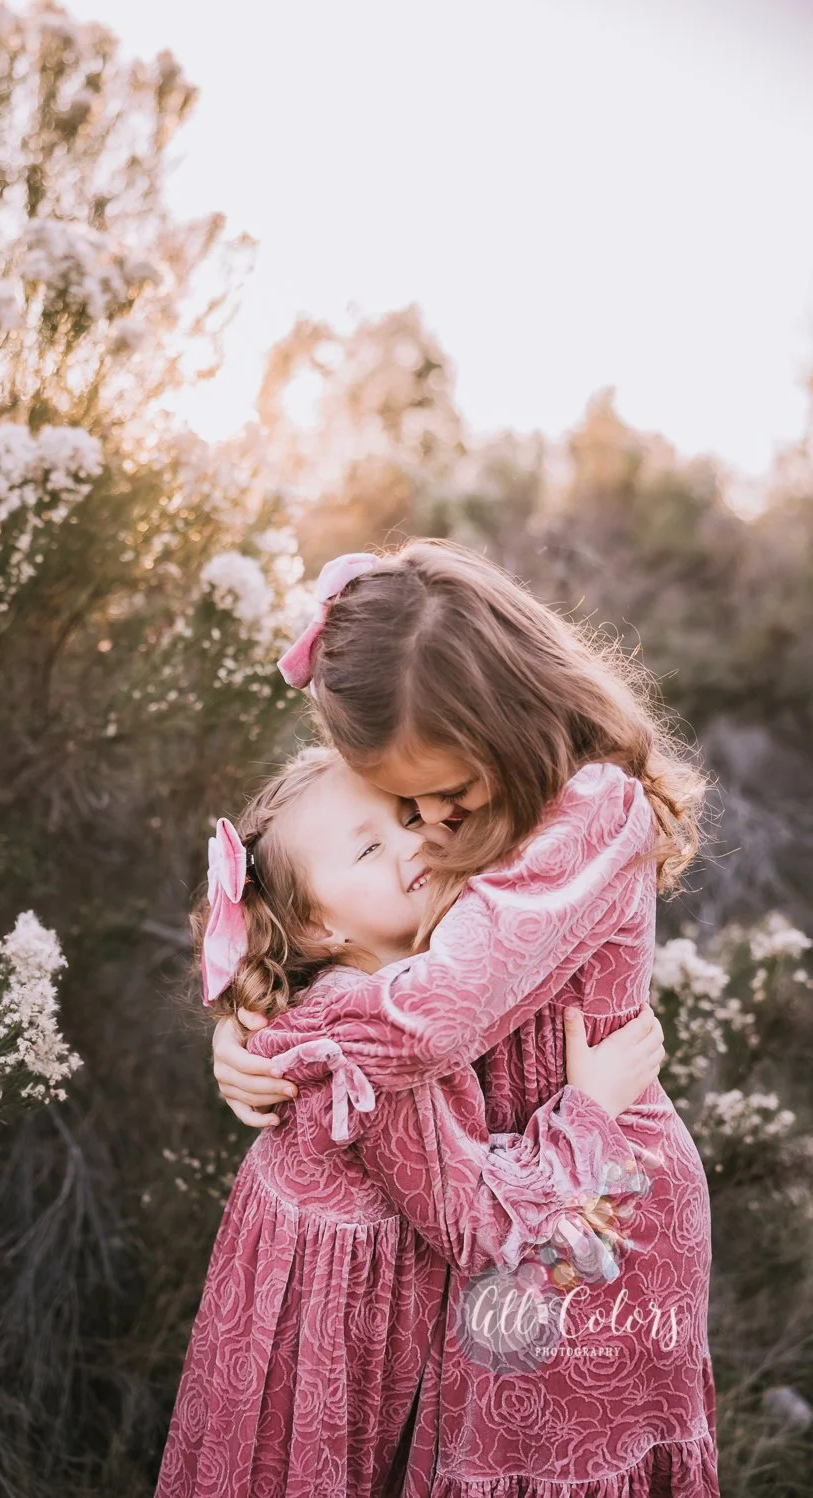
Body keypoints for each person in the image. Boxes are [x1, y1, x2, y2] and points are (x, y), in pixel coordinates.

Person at [211, 540, 718, 1496]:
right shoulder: (458, 797)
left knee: (548, 1462)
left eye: (443, 794)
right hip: (493, 1191)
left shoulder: (595, 814)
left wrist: (292, 1038)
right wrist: (244, 1010)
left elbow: (431, 1019)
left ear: (505, 714)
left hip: (603, 1212)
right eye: (407, 804)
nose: (432, 824)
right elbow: (313, 882)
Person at [156, 745, 667, 1498]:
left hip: (287, 1320)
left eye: (404, 818)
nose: (415, 842)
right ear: (315, 927)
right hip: (350, 1344)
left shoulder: (335, 996)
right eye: (369, 848)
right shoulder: (386, 1046)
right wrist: (589, 1109)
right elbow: (479, 1227)